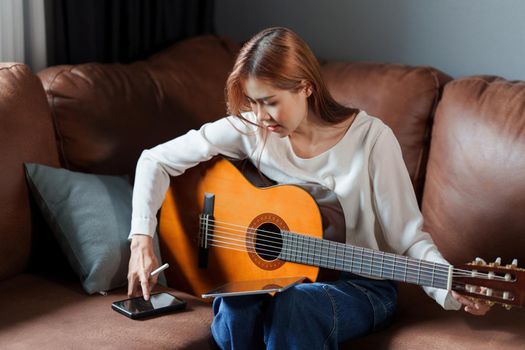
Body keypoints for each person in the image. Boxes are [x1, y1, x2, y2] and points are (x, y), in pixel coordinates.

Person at [127, 27, 490, 349]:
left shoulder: (371, 140)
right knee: (239, 302)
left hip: (360, 286)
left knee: (293, 305)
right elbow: (154, 160)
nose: (261, 115)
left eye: (270, 102)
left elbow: (409, 238)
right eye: (253, 102)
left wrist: (449, 284)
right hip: (265, 281)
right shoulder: (252, 129)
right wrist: (142, 238)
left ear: (305, 87)